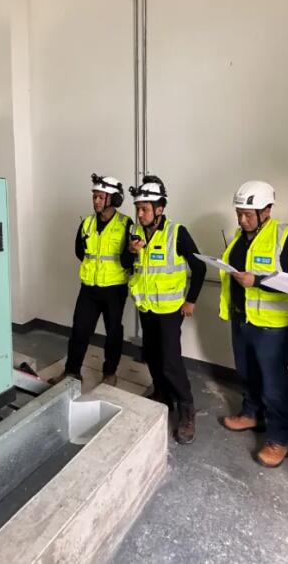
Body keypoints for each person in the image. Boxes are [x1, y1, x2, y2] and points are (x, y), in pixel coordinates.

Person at [217, 180, 288, 468]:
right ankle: (251, 414)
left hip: (272, 326)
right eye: (239, 213)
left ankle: (279, 439)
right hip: (242, 317)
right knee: (246, 372)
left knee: (273, 383)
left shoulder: (286, 236)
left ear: (266, 210)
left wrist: (256, 281)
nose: (242, 220)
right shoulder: (240, 236)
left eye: (248, 214)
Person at [125, 174, 206, 444]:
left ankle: (186, 408)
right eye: (137, 208)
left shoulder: (176, 232)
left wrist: (191, 300)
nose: (140, 214)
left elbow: (199, 267)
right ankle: (162, 395)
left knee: (170, 361)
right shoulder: (135, 233)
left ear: (159, 209)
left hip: (170, 310)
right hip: (146, 307)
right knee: (151, 354)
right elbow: (125, 263)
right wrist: (131, 252)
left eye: (145, 208)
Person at [50, 174, 133, 386]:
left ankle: (109, 373)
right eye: (94, 196)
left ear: (114, 199)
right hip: (89, 288)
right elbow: (80, 251)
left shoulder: (126, 224)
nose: (96, 201)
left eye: (100, 197)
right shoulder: (87, 222)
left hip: (114, 289)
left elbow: (128, 259)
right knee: (79, 330)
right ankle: (72, 371)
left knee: (113, 333)